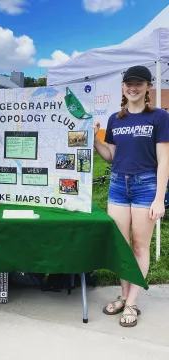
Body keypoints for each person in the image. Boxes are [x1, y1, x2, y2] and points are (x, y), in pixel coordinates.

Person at [94, 65, 169, 327]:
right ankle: (124, 295)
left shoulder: (159, 117)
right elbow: (111, 157)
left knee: (139, 246)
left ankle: (133, 302)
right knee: (121, 245)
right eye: (129, 83)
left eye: (139, 83)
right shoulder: (116, 119)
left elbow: (164, 160)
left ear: (148, 86)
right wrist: (95, 140)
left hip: (145, 186)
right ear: (123, 87)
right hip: (117, 186)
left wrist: (160, 198)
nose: (133, 88)